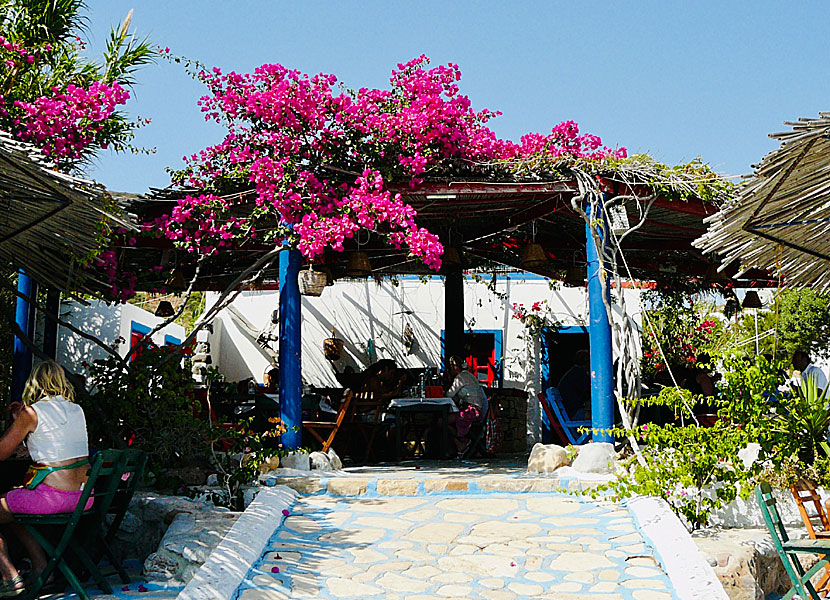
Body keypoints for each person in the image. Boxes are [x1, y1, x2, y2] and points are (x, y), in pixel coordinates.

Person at [0, 361, 91, 596]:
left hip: (53, 499)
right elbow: (54, 445)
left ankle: (10, 578)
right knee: (14, 508)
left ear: (34, 383)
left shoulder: (32, 412)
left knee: (4, 504)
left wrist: (18, 418)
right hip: (83, 498)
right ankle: (43, 569)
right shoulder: (76, 410)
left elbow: (2, 452)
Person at [445, 356, 487, 456]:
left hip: (471, 412)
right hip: (476, 410)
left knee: (443, 421)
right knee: (445, 420)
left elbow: (449, 395)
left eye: (450, 367)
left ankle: (461, 442)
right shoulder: (469, 375)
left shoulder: (460, 378)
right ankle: (461, 442)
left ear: (455, 367)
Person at [558, 350, 591, 420]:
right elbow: (590, 392)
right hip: (573, 412)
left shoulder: (574, 372)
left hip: (568, 411)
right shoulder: (580, 374)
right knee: (601, 416)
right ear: (586, 362)